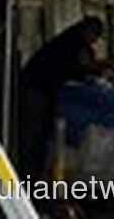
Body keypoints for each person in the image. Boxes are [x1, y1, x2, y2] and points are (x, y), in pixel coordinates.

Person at [17, 16, 107, 179]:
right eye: (95, 36)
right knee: (34, 136)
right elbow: (84, 66)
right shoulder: (74, 42)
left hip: (39, 86)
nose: (95, 41)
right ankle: (29, 177)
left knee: (37, 135)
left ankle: (32, 175)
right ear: (88, 30)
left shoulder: (67, 39)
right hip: (37, 87)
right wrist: (100, 68)